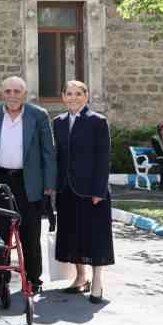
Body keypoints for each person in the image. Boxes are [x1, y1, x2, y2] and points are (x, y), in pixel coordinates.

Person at [0, 76, 56, 294]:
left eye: (17, 91)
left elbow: (48, 151)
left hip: (28, 180)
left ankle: (33, 277)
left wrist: (49, 183)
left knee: (30, 231)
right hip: (0, 179)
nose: (12, 95)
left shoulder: (38, 115)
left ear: (24, 94)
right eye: (8, 91)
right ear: (2, 93)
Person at [54, 81, 113, 304]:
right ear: (63, 96)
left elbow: (104, 158)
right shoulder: (58, 122)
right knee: (72, 234)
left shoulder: (98, 121)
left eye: (78, 94)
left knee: (95, 236)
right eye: (69, 93)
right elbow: (58, 157)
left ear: (86, 96)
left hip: (92, 190)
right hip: (66, 189)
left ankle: (97, 280)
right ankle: (81, 277)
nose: (73, 97)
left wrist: (99, 190)